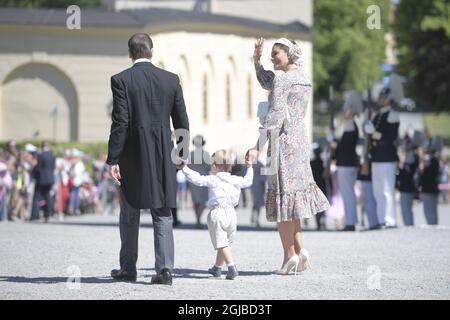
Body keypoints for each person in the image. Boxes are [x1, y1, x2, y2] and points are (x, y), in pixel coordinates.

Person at [107, 33, 189, 285]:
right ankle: (165, 269)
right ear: (151, 51)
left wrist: (113, 159)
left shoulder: (121, 80)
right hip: (164, 153)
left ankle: (128, 268)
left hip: (132, 153)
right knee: (162, 210)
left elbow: (120, 122)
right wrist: (182, 153)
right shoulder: (171, 80)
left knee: (129, 211)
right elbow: (181, 121)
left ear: (130, 53)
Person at [248, 37, 330, 275]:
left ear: (289, 54)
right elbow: (268, 83)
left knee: (282, 202)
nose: (272, 57)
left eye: (276, 53)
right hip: (300, 143)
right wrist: (257, 60)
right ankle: (301, 250)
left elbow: (274, 117)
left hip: (281, 144)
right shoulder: (303, 79)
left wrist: (258, 147)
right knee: (292, 200)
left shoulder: (283, 81)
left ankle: (289, 255)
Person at [181, 150, 253, 280]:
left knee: (221, 243)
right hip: (232, 214)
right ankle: (217, 268)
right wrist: (249, 167)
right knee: (225, 243)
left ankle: (232, 267)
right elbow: (248, 181)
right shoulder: (235, 179)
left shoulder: (213, 179)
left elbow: (197, 179)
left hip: (217, 213)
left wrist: (184, 168)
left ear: (214, 165)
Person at [364, 87, 400, 228]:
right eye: (380, 97)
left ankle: (390, 219)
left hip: (387, 156)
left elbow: (390, 137)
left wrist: (374, 133)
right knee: (378, 190)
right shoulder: (377, 115)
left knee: (387, 190)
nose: (380, 99)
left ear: (388, 99)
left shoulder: (392, 114)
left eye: (383, 97)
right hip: (377, 156)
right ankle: (381, 219)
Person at [333, 100, 361, 231]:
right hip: (346, 163)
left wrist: (335, 143)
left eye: (347, 110)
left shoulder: (350, 125)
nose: (345, 113)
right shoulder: (349, 125)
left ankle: (350, 222)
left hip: (346, 163)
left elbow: (344, 146)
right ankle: (350, 221)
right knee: (347, 194)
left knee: (348, 193)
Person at [187, 135, 210, 228]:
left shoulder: (190, 154)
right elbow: (209, 167)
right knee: (202, 202)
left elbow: (188, 166)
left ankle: (198, 219)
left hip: (193, 179)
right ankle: (198, 219)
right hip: (203, 179)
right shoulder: (206, 154)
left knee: (196, 201)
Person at [30, 141, 55, 222]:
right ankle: (48, 215)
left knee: (37, 197)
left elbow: (38, 168)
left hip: (41, 179)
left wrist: (33, 175)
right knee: (48, 197)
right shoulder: (52, 155)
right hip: (50, 179)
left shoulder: (40, 155)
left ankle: (34, 215)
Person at [397, 139, 419, 226]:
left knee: (406, 209)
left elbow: (404, 173)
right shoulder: (412, 158)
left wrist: (401, 164)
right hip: (406, 187)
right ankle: (408, 224)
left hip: (407, 188)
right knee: (405, 209)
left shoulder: (411, 159)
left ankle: (409, 225)